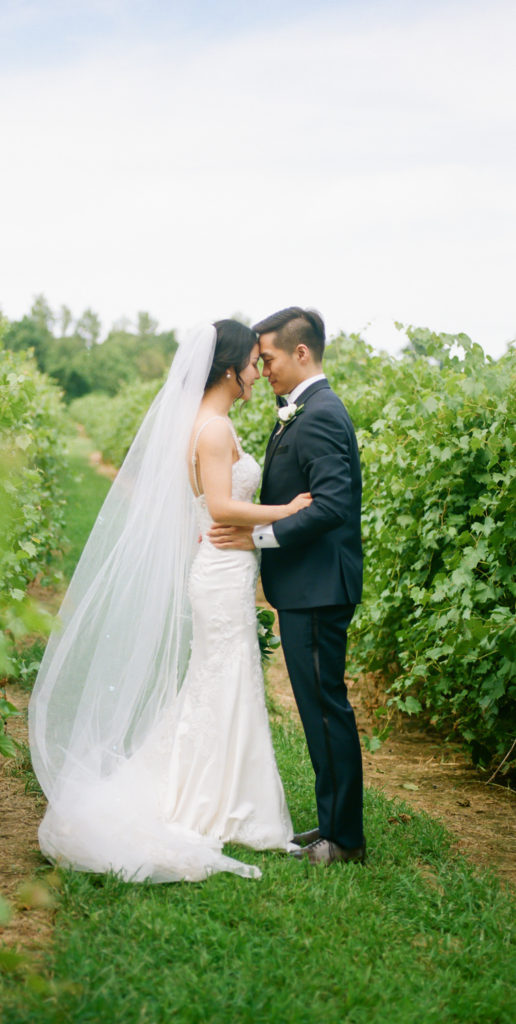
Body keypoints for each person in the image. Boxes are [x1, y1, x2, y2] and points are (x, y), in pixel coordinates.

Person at [28, 320, 311, 882]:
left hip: (224, 568)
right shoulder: (212, 430)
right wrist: (286, 511)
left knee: (225, 679)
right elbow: (222, 508)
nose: (259, 371)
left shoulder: (209, 424)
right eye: (253, 362)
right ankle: (217, 803)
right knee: (222, 677)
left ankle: (228, 796)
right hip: (221, 572)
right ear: (230, 368)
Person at [210, 307, 365, 865]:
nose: (263, 369)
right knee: (318, 708)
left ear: (301, 353)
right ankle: (330, 825)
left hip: (319, 587)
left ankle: (344, 840)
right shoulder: (302, 410)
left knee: (326, 709)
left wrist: (259, 539)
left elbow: (332, 506)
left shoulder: (320, 413)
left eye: (269, 358)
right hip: (307, 588)